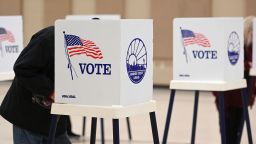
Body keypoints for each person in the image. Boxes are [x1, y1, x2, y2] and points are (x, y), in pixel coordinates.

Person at [0, 26, 71, 144]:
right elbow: (23, 68)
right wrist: (51, 91)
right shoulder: (49, 38)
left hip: (55, 118)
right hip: (28, 114)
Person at [213, 16, 255, 144]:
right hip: (230, 97)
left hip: (242, 97)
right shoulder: (237, 44)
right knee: (228, 131)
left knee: (237, 131)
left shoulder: (251, 47)